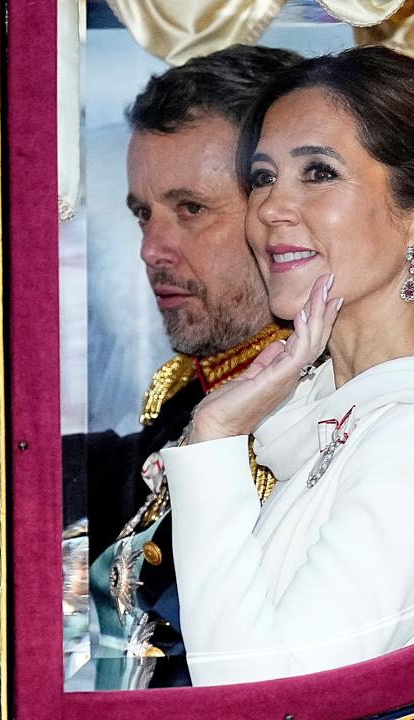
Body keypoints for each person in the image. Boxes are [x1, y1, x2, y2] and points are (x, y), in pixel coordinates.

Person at [160, 46, 414, 687]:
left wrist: (217, 436)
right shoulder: (341, 419)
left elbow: (264, 696)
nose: (270, 208)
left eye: (318, 173)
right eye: (262, 177)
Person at [61, 45, 303, 690]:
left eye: (190, 209)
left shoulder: (334, 414)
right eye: (144, 213)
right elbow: (125, 476)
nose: (151, 250)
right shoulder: (196, 390)